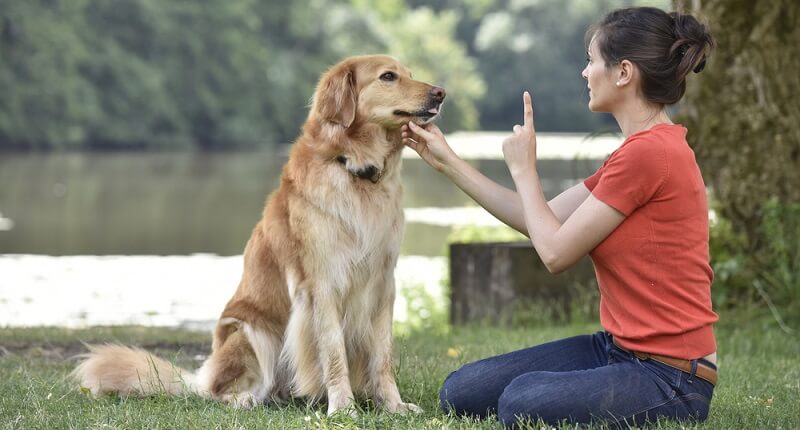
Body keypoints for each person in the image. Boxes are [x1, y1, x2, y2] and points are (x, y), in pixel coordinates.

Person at [401, 6, 717, 428]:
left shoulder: (650, 154)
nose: (585, 73)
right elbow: (541, 219)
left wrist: (525, 170)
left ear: (624, 72)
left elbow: (553, 253)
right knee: (460, 391)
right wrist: (447, 162)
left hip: (672, 378)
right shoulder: (635, 153)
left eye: (591, 60)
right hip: (619, 350)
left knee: (520, 403)